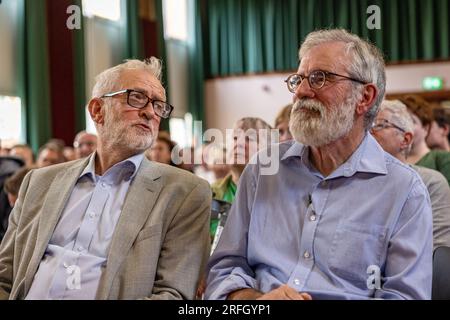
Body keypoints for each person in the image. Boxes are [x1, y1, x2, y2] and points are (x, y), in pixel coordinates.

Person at [205, 29, 432, 300]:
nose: (300, 92)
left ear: (365, 97)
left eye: (319, 79)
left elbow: (406, 296)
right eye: (299, 79)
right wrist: (256, 301)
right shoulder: (263, 170)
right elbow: (224, 268)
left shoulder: (404, 189)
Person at [0, 58, 211, 300]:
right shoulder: (39, 182)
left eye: (158, 105)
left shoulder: (184, 192)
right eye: (137, 97)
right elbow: (5, 276)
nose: (150, 112)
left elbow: (173, 294)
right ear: (97, 110)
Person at [371, 100, 450, 250]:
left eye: (380, 125)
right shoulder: (356, 181)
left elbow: (439, 251)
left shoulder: (430, 182)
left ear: (405, 140)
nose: (370, 132)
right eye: (368, 126)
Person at [399, 95, 450, 185]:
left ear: (425, 128)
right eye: (400, 121)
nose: (404, 126)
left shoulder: (442, 158)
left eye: (411, 121)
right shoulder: (392, 159)